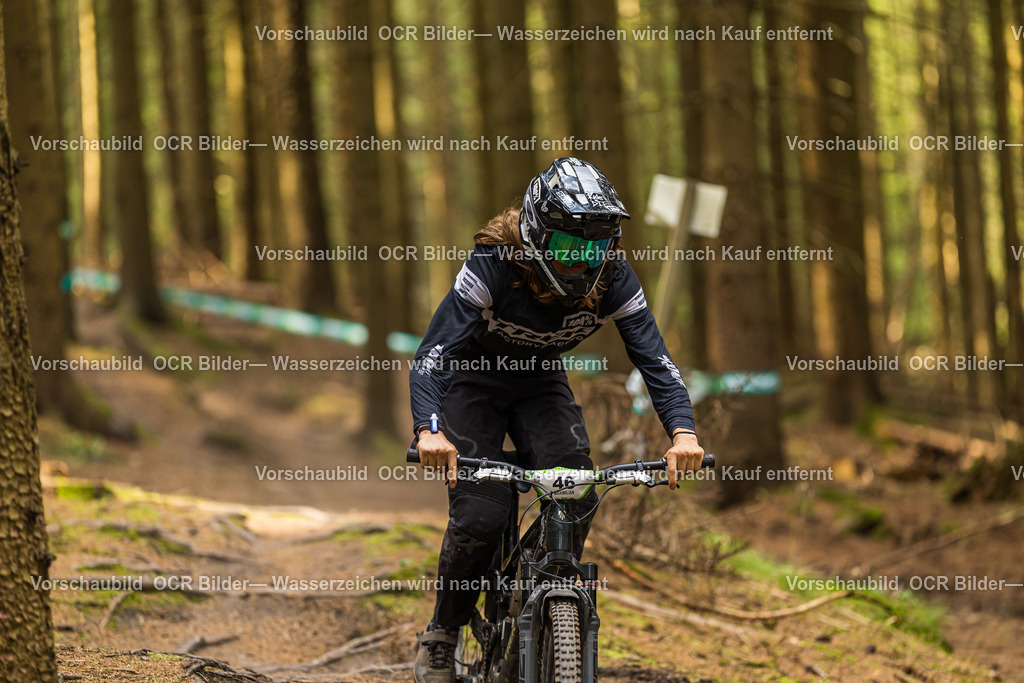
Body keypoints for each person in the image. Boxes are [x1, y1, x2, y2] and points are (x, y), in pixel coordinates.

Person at [409, 157, 704, 682]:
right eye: (570, 247)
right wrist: (428, 430)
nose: (582, 261)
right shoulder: (494, 263)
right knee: (482, 513)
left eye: (595, 247)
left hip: (540, 386)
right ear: (538, 236)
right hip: (472, 384)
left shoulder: (613, 277)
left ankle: (543, 586)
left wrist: (683, 433)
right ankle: (443, 633)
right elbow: (435, 353)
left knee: (578, 494)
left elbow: (655, 359)